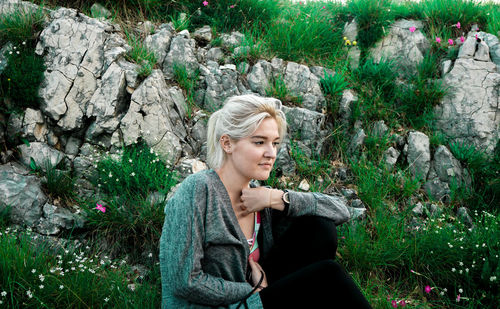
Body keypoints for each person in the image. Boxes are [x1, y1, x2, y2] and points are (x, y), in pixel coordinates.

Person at [159, 94, 372, 308]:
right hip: (223, 305)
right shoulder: (199, 189)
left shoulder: (262, 199)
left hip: (256, 298)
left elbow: (340, 212)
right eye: (259, 142)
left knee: (320, 228)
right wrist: (253, 289)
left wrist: (277, 198)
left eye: (275, 143)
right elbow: (185, 281)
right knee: (328, 275)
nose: (271, 153)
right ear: (227, 143)